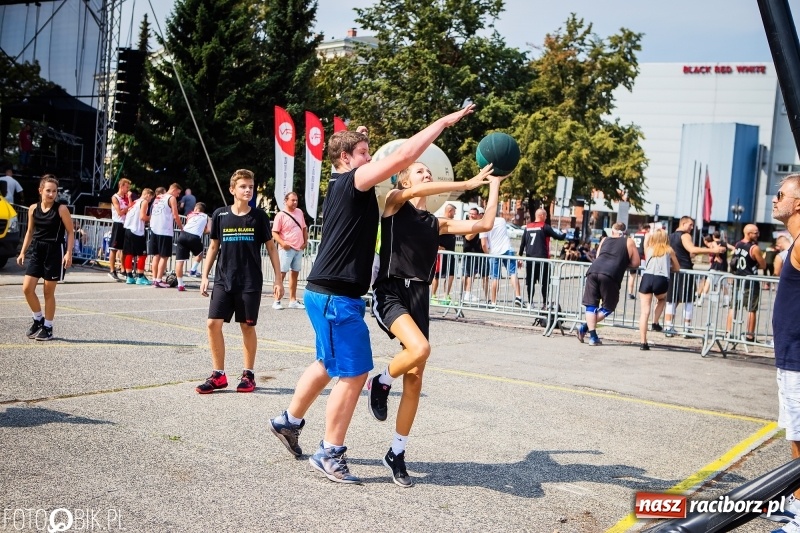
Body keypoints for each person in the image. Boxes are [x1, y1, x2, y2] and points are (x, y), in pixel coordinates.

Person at [268, 105, 476, 485]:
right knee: (355, 372)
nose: (371, 158)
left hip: (328, 293)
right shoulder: (354, 181)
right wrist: (443, 122)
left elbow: (359, 151)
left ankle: (288, 420)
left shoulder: (344, 183)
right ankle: (329, 452)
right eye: (364, 153)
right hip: (336, 297)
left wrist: (357, 135)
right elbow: (403, 156)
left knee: (327, 363)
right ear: (347, 160)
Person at [367, 162, 500, 487]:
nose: (426, 174)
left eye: (428, 171)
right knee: (421, 348)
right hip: (391, 290)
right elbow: (414, 192)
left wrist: (494, 184)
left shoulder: (435, 222)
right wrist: (467, 183)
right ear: (405, 178)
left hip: (420, 296)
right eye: (420, 170)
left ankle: (396, 452)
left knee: (414, 379)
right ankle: (381, 381)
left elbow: (483, 224)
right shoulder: (395, 202)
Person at [197, 169, 283, 394]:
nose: (248, 190)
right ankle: (218, 375)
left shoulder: (259, 217)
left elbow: (271, 248)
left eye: (251, 187)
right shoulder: (220, 215)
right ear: (232, 189)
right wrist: (205, 276)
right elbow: (214, 246)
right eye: (243, 186)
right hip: (223, 279)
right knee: (212, 324)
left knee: (247, 326)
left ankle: (248, 374)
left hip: (249, 281)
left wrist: (278, 280)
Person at [765, 175, 800, 533]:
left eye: (780, 194)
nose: (775, 200)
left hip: (799, 359)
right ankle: (796, 502)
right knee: (796, 433)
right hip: (790, 356)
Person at [16, 175, 75, 341]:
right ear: (40, 190)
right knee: (27, 288)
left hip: (54, 251)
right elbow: (29, 232)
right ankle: (38, 318)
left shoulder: (61, 209)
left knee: (48, 292)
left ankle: (48, 327)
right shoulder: (33, 209)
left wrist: (68, 252)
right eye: (48, 190)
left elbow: (71, 232)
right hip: (37, 250)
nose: (51, 194)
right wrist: (22, 252)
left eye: (54, 191)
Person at [576, 222, 639, 346]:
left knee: (591, 304)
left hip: (594, 270)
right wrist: (623, 263)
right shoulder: (629, 241)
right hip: (611, 273)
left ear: (613, 231)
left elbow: (598, 256)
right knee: (608, 306)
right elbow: (636, 263)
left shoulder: (604, 240)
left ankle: (592, 336)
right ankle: (585, 328)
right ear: (624, 232)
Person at [663, 216, 724, 337]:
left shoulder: (670, 236)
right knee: (688, 299)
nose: (692, 227)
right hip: (685, 269)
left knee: (672, 299)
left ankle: (668, 326)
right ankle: (687, 328)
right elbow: (691, 249)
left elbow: (685, 252)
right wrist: (713, 250)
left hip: (673, 269)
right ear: (683, 223)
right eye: (690, 225)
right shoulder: (685, 235)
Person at [637, 229, 680, 350]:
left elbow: (646, 239)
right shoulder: (669, 250)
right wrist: (669, 266)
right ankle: (655, 322)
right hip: (661, 279)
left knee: (644, 312)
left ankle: (643, 342)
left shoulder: (649, 249)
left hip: (647, 278)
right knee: (662, 299)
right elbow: (677, 267)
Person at [726, 224, 766, 342]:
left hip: (738, 280)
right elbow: (763, 264)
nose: (758, 235)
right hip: (750, 282)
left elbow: (733, 262)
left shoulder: (738, 245)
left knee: (734, 307)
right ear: (749, 234)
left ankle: (728, 331)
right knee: (751, 309)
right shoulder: (754, 248)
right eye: (756, 232)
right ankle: (749, 335)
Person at [518, 208, 565, 307]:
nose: (546, 217)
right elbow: (558, 237)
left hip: (530, 259)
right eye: (546, 215)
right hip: (542, 259)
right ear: (541, 216)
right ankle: (545, 303)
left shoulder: (528, 227)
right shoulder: (545, 227)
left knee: (530, 282)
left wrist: (520, 257)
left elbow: (522, 244)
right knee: (544, 282)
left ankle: (530, 302)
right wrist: (564, 233)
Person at [271, 191, 308, 309]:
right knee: (281, 274)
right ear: (286, 201)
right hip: (286, 248)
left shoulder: (299, 212)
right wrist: (283, 243)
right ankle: (276, 300)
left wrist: (305, 241)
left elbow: (304, 228)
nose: (295, 203)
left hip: (298, 248)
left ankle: (293, 300)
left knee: (295, 274)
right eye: (293, 200)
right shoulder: (280, 215)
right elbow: (274, 232)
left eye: (296, 200)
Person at [481, 209, 522, 307]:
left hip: (494, 252)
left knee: (495, 277)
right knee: (513, 273)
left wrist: (488, 252)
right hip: (507, 249)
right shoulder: (501, 220)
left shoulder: (484, 225)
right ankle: (518, 296)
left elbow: (483, 244)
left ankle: (494, 302)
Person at [149, 183, 183, 287]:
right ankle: (159, 279)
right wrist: (182, 227)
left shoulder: (158, 197)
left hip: (154, 228)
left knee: (156, 255)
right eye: (178, 193)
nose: (178, 195)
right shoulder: (171, 198)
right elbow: (175, 215)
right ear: (174, 189)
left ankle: (155, 278)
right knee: (164, 256)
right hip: (164, 230)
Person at [174, 202, 210, 291]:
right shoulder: (206, 217)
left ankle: (180, 284)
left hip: (182, 235)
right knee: (200, 254)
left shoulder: (189, 215)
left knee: (180, 261)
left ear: (196, 209)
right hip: (194, 237)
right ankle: (193, 270)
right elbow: (209, 230)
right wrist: (203, 231)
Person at [122, 188, 154, 285]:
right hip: (136, 230)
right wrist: (151, 217)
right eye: (150, 198)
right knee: (142, 254)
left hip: (128, 229)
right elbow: (142, 217)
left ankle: (129, 276)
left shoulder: (135, 202)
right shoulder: (144, 202)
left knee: (129, 253)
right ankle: (140, 276)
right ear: (147, 195)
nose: (150, 200)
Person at [430, 204, 457, 304]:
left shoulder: (452, 222)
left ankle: (446, 295)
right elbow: (432, 235)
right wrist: (437, 247)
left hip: (450, 253)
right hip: (440, 254)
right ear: (449, 211)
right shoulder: (440, 221)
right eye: (454, 211)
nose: (455, 213)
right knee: (436, 275)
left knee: (450, 274)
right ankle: (433, 296)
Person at [461, 207, 488, 303]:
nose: (472, 215)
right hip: (469, 253)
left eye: (474, 214)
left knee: (485, 276)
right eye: (470, 214)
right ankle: (466, 294)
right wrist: (479, 228)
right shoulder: (465, 224)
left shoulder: (479, 224)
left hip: (480, 253)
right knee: (469, 275)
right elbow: (468, 237)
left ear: (477, 215)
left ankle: (487, 298)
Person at [108, 178, 131, 281]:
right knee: (114, 248)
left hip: (126, 224)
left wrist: (129, 201)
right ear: (121, 186)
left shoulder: (126, 197)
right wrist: (128, 208)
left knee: (125, 249)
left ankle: (123, 269)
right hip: (118, 223)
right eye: (126, 187)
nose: (127, 189)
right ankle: (112, 270)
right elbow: (120, 212)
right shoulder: (115, 197)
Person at [626, 224, 650, 299]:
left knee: (632, 276)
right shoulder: (646, 235)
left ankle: (630, 292)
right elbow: (645, 246)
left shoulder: (635, 234)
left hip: (634, 256)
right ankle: (642, 292)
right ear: (647, 229)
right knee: (641, 276)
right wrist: (647, 257)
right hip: (641, 257)